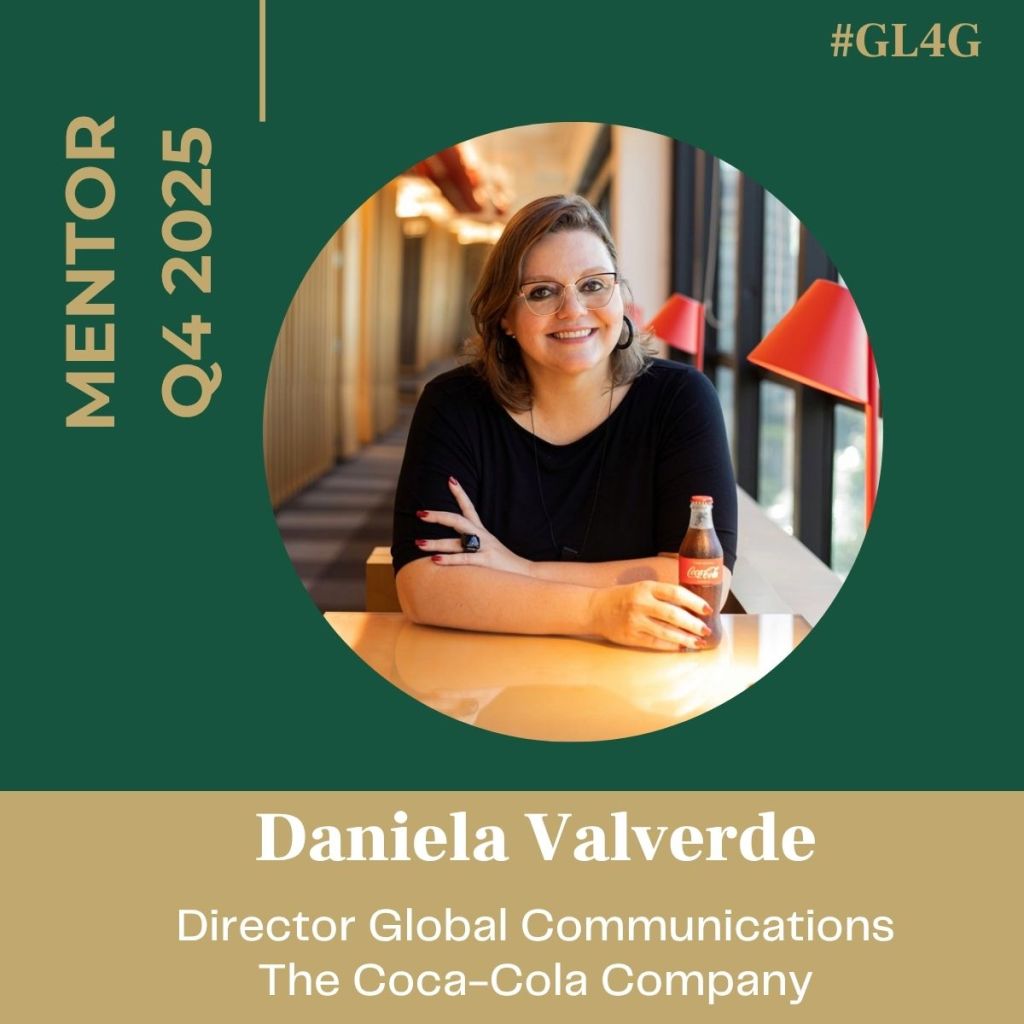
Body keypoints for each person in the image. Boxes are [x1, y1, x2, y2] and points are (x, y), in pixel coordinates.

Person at [391, 194, 737, 652]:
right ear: (505, 317)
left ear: (619, 295)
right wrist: (598, 611)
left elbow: (701, 580)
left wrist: (521, 571)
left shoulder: (681, 399)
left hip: (638, 674)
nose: (573, 310)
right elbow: (423, 586)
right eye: (542, 292)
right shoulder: (454, 405)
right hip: (485, 673)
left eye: (593, 285)